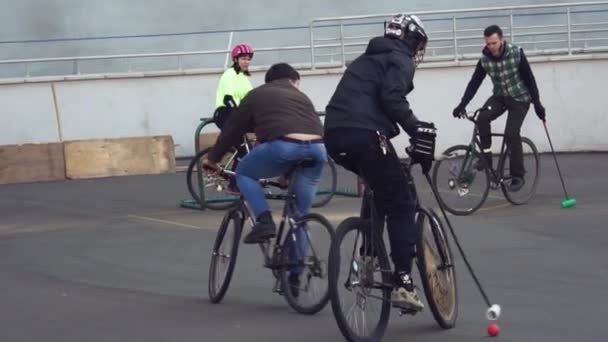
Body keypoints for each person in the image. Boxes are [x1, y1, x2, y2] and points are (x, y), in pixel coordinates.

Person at [324, 13, 436, 311]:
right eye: (419, 45)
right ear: (412, 39)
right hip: (365, 134)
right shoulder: (401, 58)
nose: (419, 52)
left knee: (380, 182)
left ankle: (371, 254)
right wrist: (418, 128)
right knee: (401, 203)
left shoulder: (366, 58)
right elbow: (392, 98)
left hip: (334, 135)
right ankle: (403, 282)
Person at [203, 63, 326, 288]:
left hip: (285, 147)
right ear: (292, 80)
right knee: (301, 217)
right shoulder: (302, 97)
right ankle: (296, 275)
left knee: (244, 173)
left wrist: (213, 159)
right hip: (318, 150)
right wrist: (286, 175)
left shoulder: (256, 95)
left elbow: (232, 130)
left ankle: (264, 221)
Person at [452, 24, 546, 192]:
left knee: (511, 133)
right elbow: (474, 83)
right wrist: (462, 104)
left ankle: (518, 175)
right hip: (500, 97)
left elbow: (530, 79)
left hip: (519, 99)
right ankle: (487, 159)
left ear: (501, 40)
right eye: (488, 43)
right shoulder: (485, 59)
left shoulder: (516, 53)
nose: (491, 47)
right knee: (482, 117)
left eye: (494, 43)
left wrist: (537, 104)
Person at [211, 44, 255, 194]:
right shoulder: (230, 74)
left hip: (237, 115)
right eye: (243, 58)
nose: (246, 61)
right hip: (225, 114)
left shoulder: (244, 78)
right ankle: (233, 184)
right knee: (243, 150)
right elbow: (228, 98)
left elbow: (252, 99)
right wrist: (239, 115)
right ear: (236, 59)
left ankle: (243, 175)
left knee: (249, 147)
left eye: (249, 59)